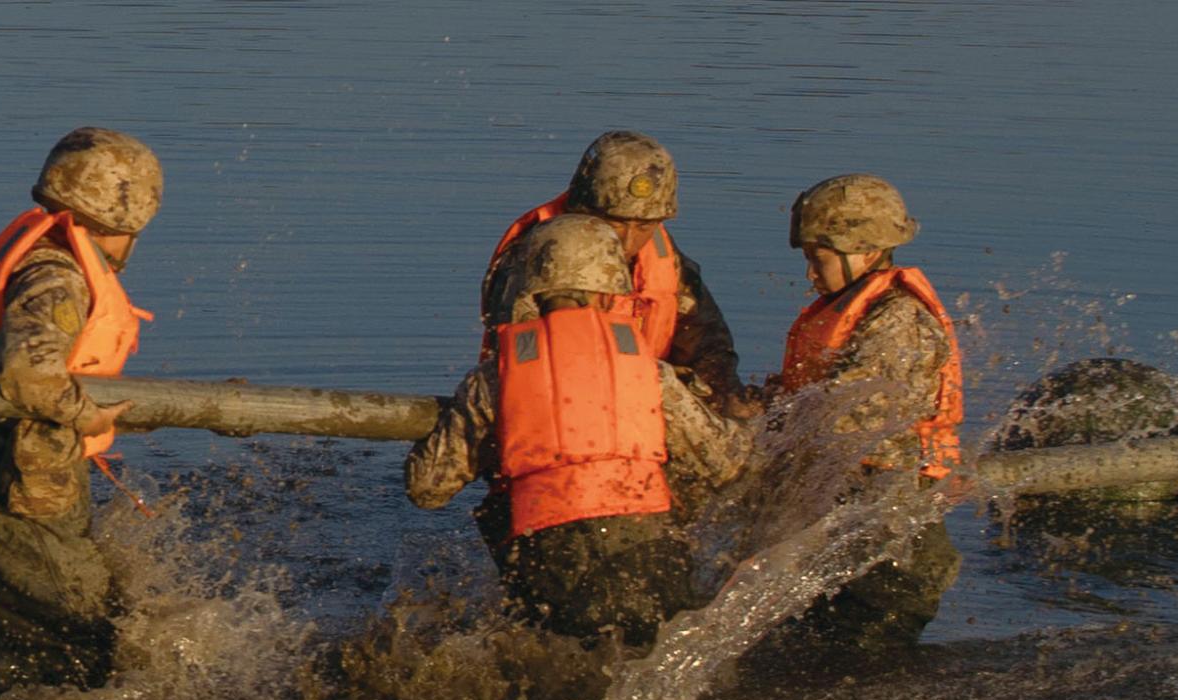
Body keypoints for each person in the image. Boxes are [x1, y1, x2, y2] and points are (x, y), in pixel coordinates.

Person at [408, 215, 750, 647]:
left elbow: (428, 489)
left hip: (551, 565)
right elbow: (724, 463)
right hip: (649, 559)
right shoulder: (651, 373)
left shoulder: (494, 377)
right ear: (612, 290)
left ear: (531, 286)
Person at [0, 128, 162, 683]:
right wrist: (86, 414)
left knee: (23, 623)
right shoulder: (58, 274)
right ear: (127, 218)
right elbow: (28, 371)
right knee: (80, 650)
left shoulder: (44, 254)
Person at [771, 173, 963, 652]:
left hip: (895, 521)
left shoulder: (901, 320)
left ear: (867, 250)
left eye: (818, 260)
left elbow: (855, 411)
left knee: (867, 648)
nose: (810, 274)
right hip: (855, 504)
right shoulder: (854, 307)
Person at [483, 130, 757, 418]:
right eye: (615, 223)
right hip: (554, 413)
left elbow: (706, 341)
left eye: (643, 227)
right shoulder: (537, 255)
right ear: (582, 209)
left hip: (644, 407)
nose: (626, 243)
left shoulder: (664, 258)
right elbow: (525, 365)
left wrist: (721, 396)